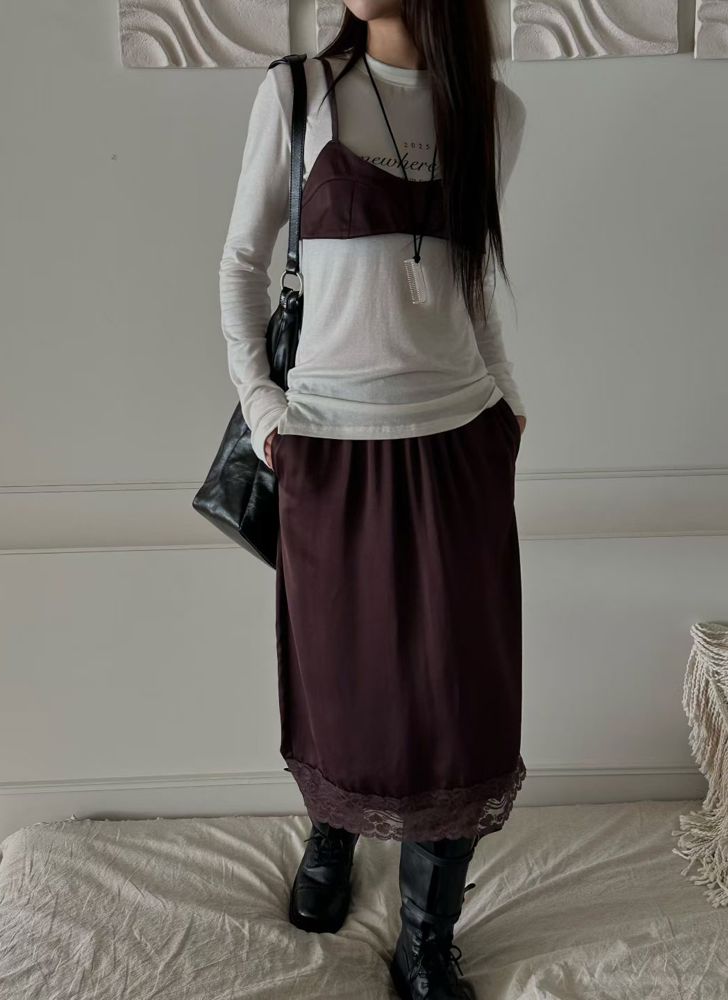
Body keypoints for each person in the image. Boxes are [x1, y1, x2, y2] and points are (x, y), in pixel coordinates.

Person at [219, 3, 527, 997]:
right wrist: (263, 407)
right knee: (344, 677)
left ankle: (426, 940)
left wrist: (508, 404)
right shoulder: (298, 94)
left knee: (460, 697)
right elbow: (242, 262)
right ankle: (334, 832)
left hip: (460, 440)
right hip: (329, 443)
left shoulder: (493, 113)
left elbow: (471, 284)